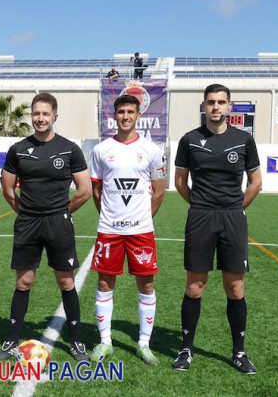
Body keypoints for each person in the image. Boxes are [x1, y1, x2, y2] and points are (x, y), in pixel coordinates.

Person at [172, 84, 262, 374]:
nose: (215, 107)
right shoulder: (189, 140)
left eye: (221, 102)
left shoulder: (243, 140)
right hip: (200, 217)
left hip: (233, 218)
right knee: (194, 286)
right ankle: (186, 349)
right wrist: (200, 205)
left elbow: (256, 182)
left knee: (235, 287)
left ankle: (239, 352)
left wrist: (236, 207)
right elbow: (180, 182)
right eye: (211, 102)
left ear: (229, 106)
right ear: (204, 106)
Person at [0, 92, 92, 362]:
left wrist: (62, 212)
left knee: (66, 281)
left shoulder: (69, 149)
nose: (40, 118)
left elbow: (85, 190)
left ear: (54, 116)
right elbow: (8, 189)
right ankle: (12, 339)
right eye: (36, 113)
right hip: (28, 223)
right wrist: (26, 212)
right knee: (24, 282)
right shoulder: (18, 149)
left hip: (58, 223)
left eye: (45, 113)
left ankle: (76, 341)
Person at [88, 95, 166, 365]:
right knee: (104, 283)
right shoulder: (101, 150)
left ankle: (144, 344)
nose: (125, 116)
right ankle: (105, 341)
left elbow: (158, 192)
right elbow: (96, 190)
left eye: (130, 112)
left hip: (141, 231)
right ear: (114, 115)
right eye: (121, 112)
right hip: (109, 230)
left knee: (146, 284)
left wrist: (141, 218)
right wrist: (111, 217)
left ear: (138, 115)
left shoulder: (152, 150)